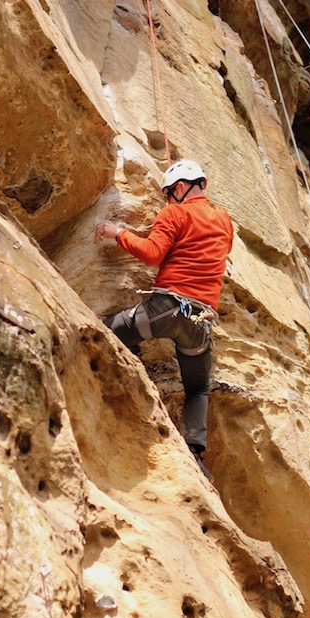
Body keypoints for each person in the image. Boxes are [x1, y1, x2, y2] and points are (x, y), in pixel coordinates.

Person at [94, 159, 233, 481]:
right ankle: (196, 453)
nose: (168, 200)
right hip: (200, 321)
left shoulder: (175, 212)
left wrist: (119, 233)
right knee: (198, 388)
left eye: (169, 194)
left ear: (181, 188)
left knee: (104, 334)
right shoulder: (225, 222)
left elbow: (153, 253)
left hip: (167, 309)